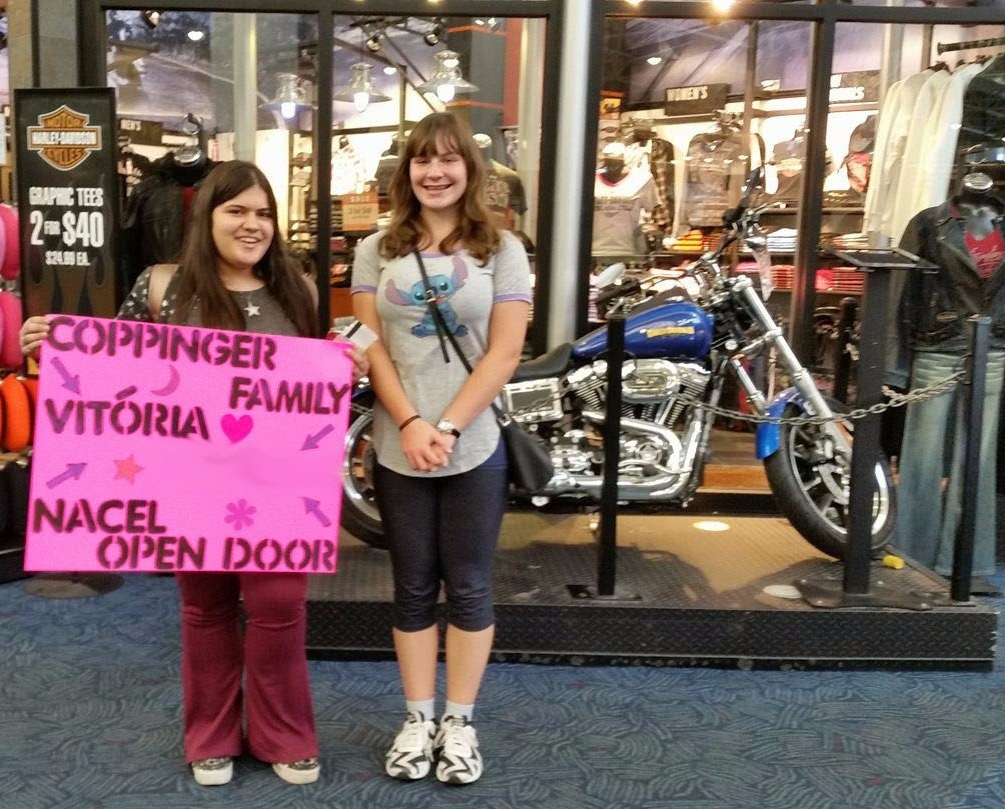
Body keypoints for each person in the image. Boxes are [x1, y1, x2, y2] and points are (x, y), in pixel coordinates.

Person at [20, 160, 369, 787]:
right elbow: (110, 364)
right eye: (236, 211)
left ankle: (282, 732)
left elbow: (315, 382)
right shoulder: (165, 288)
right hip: (190, 480)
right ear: (206, 217)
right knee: (204, 609)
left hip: (278, 482)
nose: (252, 224)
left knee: (279, 608)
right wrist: (55, 344)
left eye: (264, 213)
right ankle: (210, 734)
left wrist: (349, 368)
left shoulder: (302, 291)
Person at [350, 112, 531, 785]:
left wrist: (448, 426)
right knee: (411, 587)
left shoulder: (502, 249)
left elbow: (505, 350)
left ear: (470, 170)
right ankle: (417, 716)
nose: (435, 171)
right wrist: (410, 421)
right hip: (398, 444)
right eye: (422, 160)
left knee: (473, 585)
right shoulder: (376, 250)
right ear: (406, 171)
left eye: (449, 159)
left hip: (473, 443)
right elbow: (367, 346)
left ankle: (459, 720)